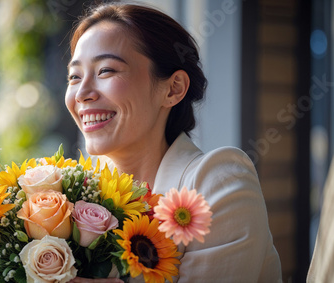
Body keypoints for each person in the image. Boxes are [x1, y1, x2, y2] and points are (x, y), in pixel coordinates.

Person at [64, 3, 282, 283]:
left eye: (106, 70)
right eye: (74, 76)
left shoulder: (216, 182)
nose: (82, 93)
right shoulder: (69, 197)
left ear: (173, 88)